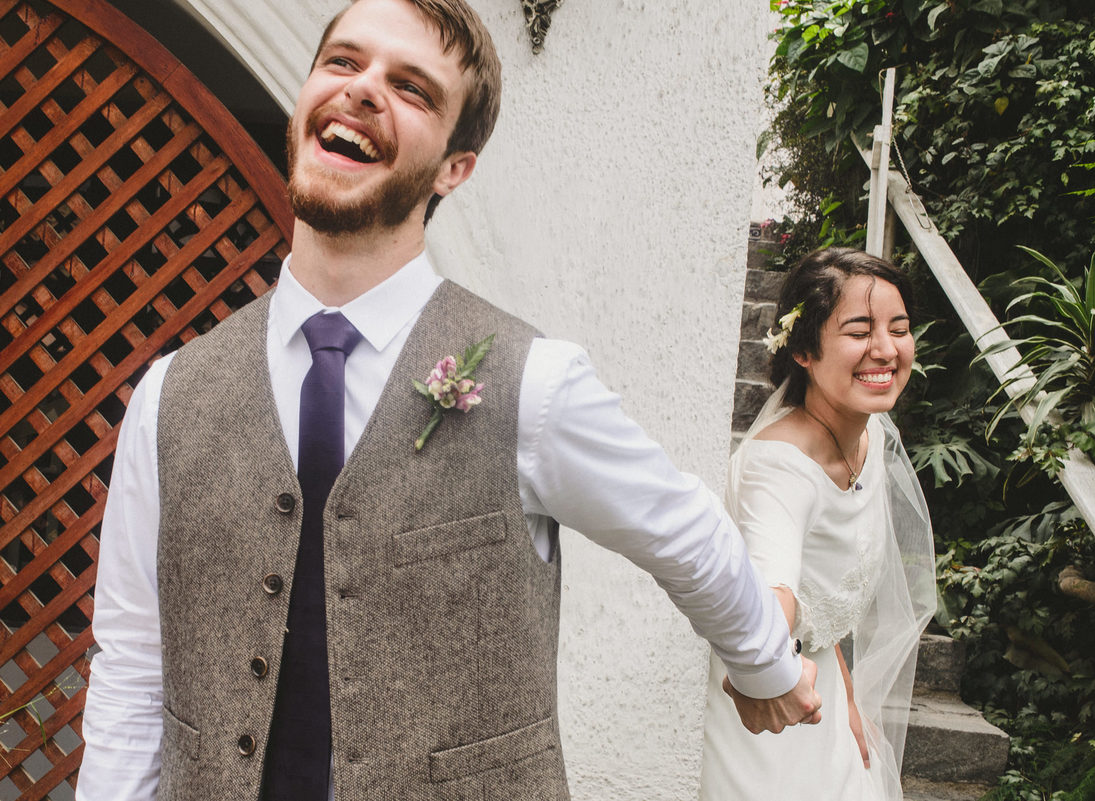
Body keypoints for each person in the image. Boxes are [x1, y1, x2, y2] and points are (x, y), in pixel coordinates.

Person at [76, 1, 821, 799]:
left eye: (411, 89)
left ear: (454, 166)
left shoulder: (533, 382)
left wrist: (764, 662)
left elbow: (684, 527)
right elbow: (130, 667)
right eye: (343, 63)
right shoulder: (169, 396)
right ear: (302, 105)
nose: (363, 90)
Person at [699, 247, 937, 801]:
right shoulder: (777, 468)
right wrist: (762, 669)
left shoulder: (870, 434)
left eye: (898, 329)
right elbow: (773, 592)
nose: (885, 349)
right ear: (804, 349)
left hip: (823, 688)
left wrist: (848, 699)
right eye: (860, 330)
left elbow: (823, 606)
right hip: (769, 710)